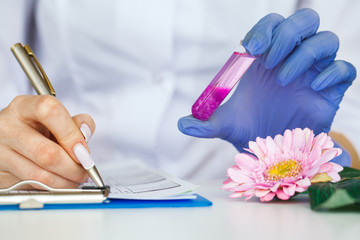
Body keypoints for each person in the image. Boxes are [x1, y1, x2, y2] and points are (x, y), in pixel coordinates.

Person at [0, 0, 358, 189]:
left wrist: (305, 152)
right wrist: (13, 143)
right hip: (59, 200)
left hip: (243, 211)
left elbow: (350, 107)